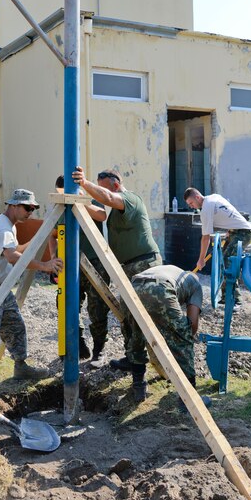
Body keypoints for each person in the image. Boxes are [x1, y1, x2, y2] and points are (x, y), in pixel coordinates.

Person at [72, 166, 162, 397]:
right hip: (129, 268)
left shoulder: (130, 199)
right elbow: (101, 207)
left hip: (143, 266)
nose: (99, 195)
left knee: (139, 318)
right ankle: (133, 359)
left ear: (114, 183)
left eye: (101, 189)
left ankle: (140, 380)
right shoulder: (117, 208)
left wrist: (85, 183)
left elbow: (109, 199)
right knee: (128, 317)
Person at [0, 188, 63, 394]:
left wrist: (40, 236)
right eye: (27, 207)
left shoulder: (7, 225)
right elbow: (11, 256)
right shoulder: (3, 227)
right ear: (13, 205)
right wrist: (44, 265)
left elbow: (16, 248)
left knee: (15, 327)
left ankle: (21, 366)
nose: (30, 211)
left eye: (33, 208)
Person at [109, 264, 210, 410]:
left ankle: (138, 388)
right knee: (182, 338)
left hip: (130, 288)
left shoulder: (171, 270)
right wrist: (176, 335)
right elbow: (192, 324)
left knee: (134, 335)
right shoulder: (195, 285)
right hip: (160, 289)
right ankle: (189, 399)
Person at [50, 175, 109, 361]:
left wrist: (80, 203)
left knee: (97, 308)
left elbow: (102, 215)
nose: (64, 196)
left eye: (66, 193)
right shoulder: (59, 209)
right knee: (67, 305)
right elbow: (52, 235)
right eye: (61, 193)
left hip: (94, 263)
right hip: (69, 264)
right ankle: (77, 342)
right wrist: (53, 258)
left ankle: (99, 349)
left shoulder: (88, 202)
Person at [183, 187, 251, 305]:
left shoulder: (205, 210)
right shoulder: (214, 197)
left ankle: (235, 299)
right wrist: (230, 227)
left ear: (197, 197)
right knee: (222, 261)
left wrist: (201, 260)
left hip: (243, 233)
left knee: (227, 262)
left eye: (191, 203)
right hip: (235, 231)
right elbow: (228, 212)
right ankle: (226, 297)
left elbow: (205, 238)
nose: (191, 206)